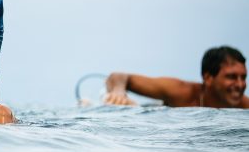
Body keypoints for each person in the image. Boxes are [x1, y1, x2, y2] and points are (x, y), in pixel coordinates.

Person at [105, 46, 248, 108]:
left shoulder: (245, 106)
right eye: (232, 77)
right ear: (208, 78)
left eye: (244, 77)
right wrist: (118, 92)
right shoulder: (181, 92)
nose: (240, 84)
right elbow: (118, 76)